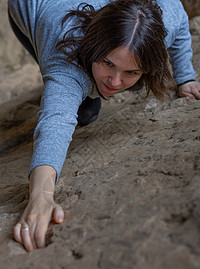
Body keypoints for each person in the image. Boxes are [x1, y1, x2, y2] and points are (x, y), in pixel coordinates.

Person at [8, 0, 200, 252]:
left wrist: (186, 77)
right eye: (108, 63)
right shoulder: (66, 55)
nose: (115, 81)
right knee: (83, 112)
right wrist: (40, 196)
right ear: (92, 46)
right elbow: (56, 121)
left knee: (96, 95)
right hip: (29, 7)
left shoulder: (168, 16)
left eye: (131, 71)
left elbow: (181, 22)